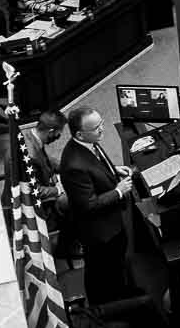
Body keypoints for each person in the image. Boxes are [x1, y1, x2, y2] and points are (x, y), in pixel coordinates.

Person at [59, 106, 138, 303]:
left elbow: (97, 166)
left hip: (112, 225)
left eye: (101, 123)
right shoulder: (74, 165)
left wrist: (113, 170)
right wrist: (119, 190)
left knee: (117, 265)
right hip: (100, 233)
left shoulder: (90, 141)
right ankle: (109, 306)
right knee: (103, 273)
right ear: (79, 134)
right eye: (96, 128)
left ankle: (123, 291)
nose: (102, 129)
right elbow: (89, 205)